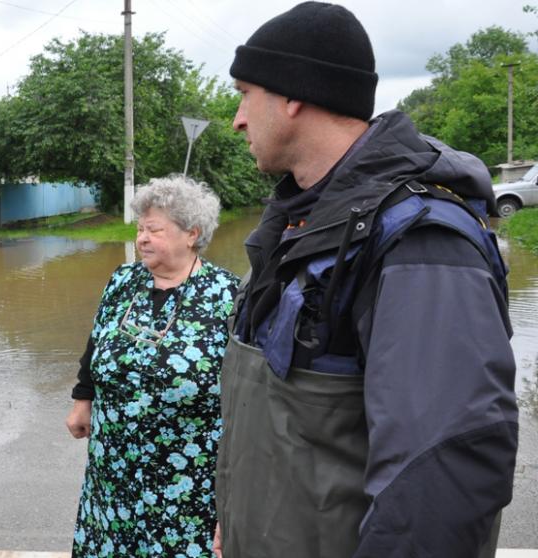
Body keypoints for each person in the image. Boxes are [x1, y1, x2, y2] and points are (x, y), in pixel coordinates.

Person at [214, 3, 518, 558]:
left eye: (244, 94)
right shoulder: (297, 222)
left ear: (292, 95)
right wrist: (234, 518)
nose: (237, 118)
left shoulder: (419, 238)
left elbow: (440, 481)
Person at [66, 175, 237, 558]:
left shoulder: (229, 296)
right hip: (114, 469)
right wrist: (82, 398)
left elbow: (249, 392)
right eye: (140, 229)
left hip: (188, 479)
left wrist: (235, 494)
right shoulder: (122, 282)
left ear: (191, 234)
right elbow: (97, 342)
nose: (142, 238)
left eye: (154, 230)